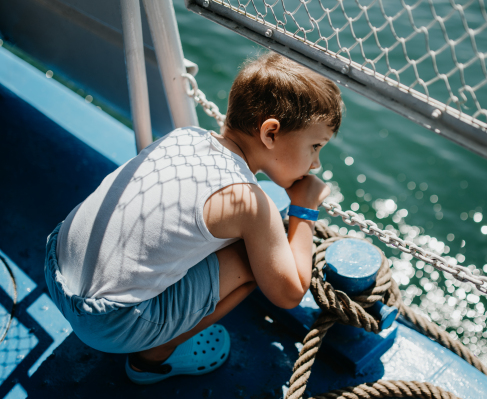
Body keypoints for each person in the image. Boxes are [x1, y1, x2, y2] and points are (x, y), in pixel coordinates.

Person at [44, 52, 344, 384]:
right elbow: (289, 293)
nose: (315, 163)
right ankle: (153, 357)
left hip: (54, 265)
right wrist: (305, 209)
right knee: (252, 260)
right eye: (315, 146)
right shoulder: (250, 202)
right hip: (107, 325)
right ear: (270, 133)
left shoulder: (185, 136)